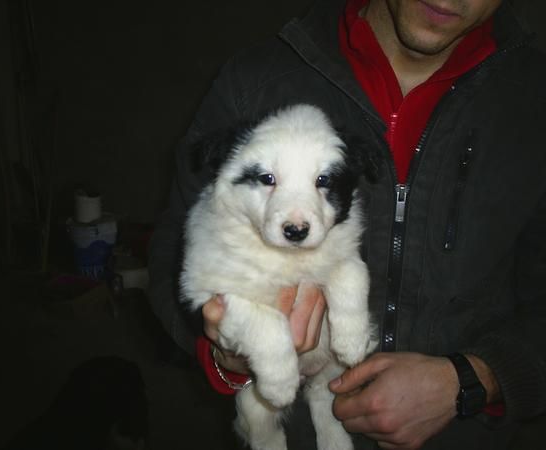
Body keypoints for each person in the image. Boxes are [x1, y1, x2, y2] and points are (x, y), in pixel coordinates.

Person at [147, 0, 546, 449]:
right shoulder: (252, 82)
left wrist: (477, 379)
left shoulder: (534, 100)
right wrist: (222, 352)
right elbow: (171, 259)